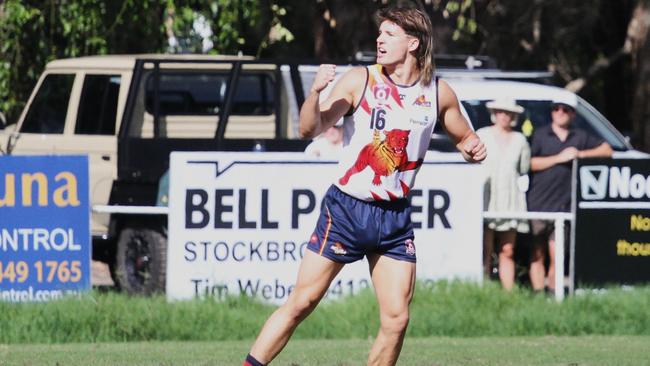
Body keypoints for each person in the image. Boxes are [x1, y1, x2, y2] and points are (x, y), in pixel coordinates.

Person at [243, 6, 486, 366]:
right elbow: (309, 129)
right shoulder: (362, 80)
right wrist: (314, 94)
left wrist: (472, 148)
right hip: (347, 210)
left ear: (413, 43)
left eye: (389, 34)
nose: (379, 39)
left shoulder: (437, 92)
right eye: (380, 33)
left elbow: (465, 138)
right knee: (302, 302)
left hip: (394, 217)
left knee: (397, 319)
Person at [526, 98, 613, 293]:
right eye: (556, 109)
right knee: (537, 253)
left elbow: (607, 150)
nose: (560, 112)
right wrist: (559, 158)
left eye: (565, 109)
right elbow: (529, 164)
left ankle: (553, 296)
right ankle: (538, 295)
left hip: (564, 206)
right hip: (538, 203)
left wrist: (580, 155)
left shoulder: (580, 137)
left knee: (557, 255)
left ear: (573, 114)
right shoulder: (540, 135)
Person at [476, 99, 530, 291]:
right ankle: (483, 289)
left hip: (510, 199)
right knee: (484, 248)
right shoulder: (482, 135)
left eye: (508, 113)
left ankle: (508, 295)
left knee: (507, 250)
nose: (504, 116)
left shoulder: (520, 139)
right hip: (487, 198)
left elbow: (524, 168)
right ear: (495, 113)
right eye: (500, 112)